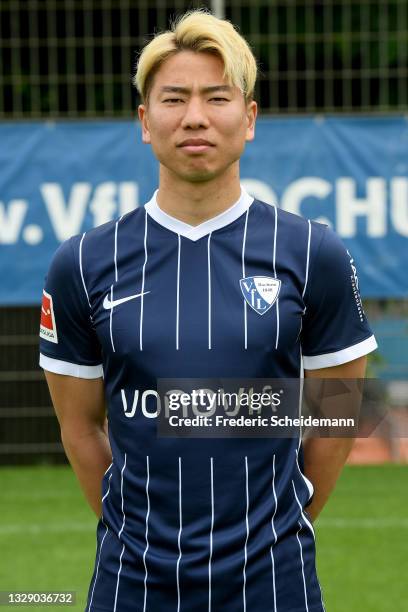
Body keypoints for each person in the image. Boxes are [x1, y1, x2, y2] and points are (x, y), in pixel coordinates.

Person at [39, 9, 377, 612]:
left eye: (216, 97)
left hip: (276, 582)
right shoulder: (83, 262)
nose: (195, 116)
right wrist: (137, 535)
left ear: (248, 119)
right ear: (146, 121)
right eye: (174, 98)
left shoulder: (312, 252)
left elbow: (339, 411)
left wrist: (279, 527)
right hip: (130, 583)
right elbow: (80, 426)